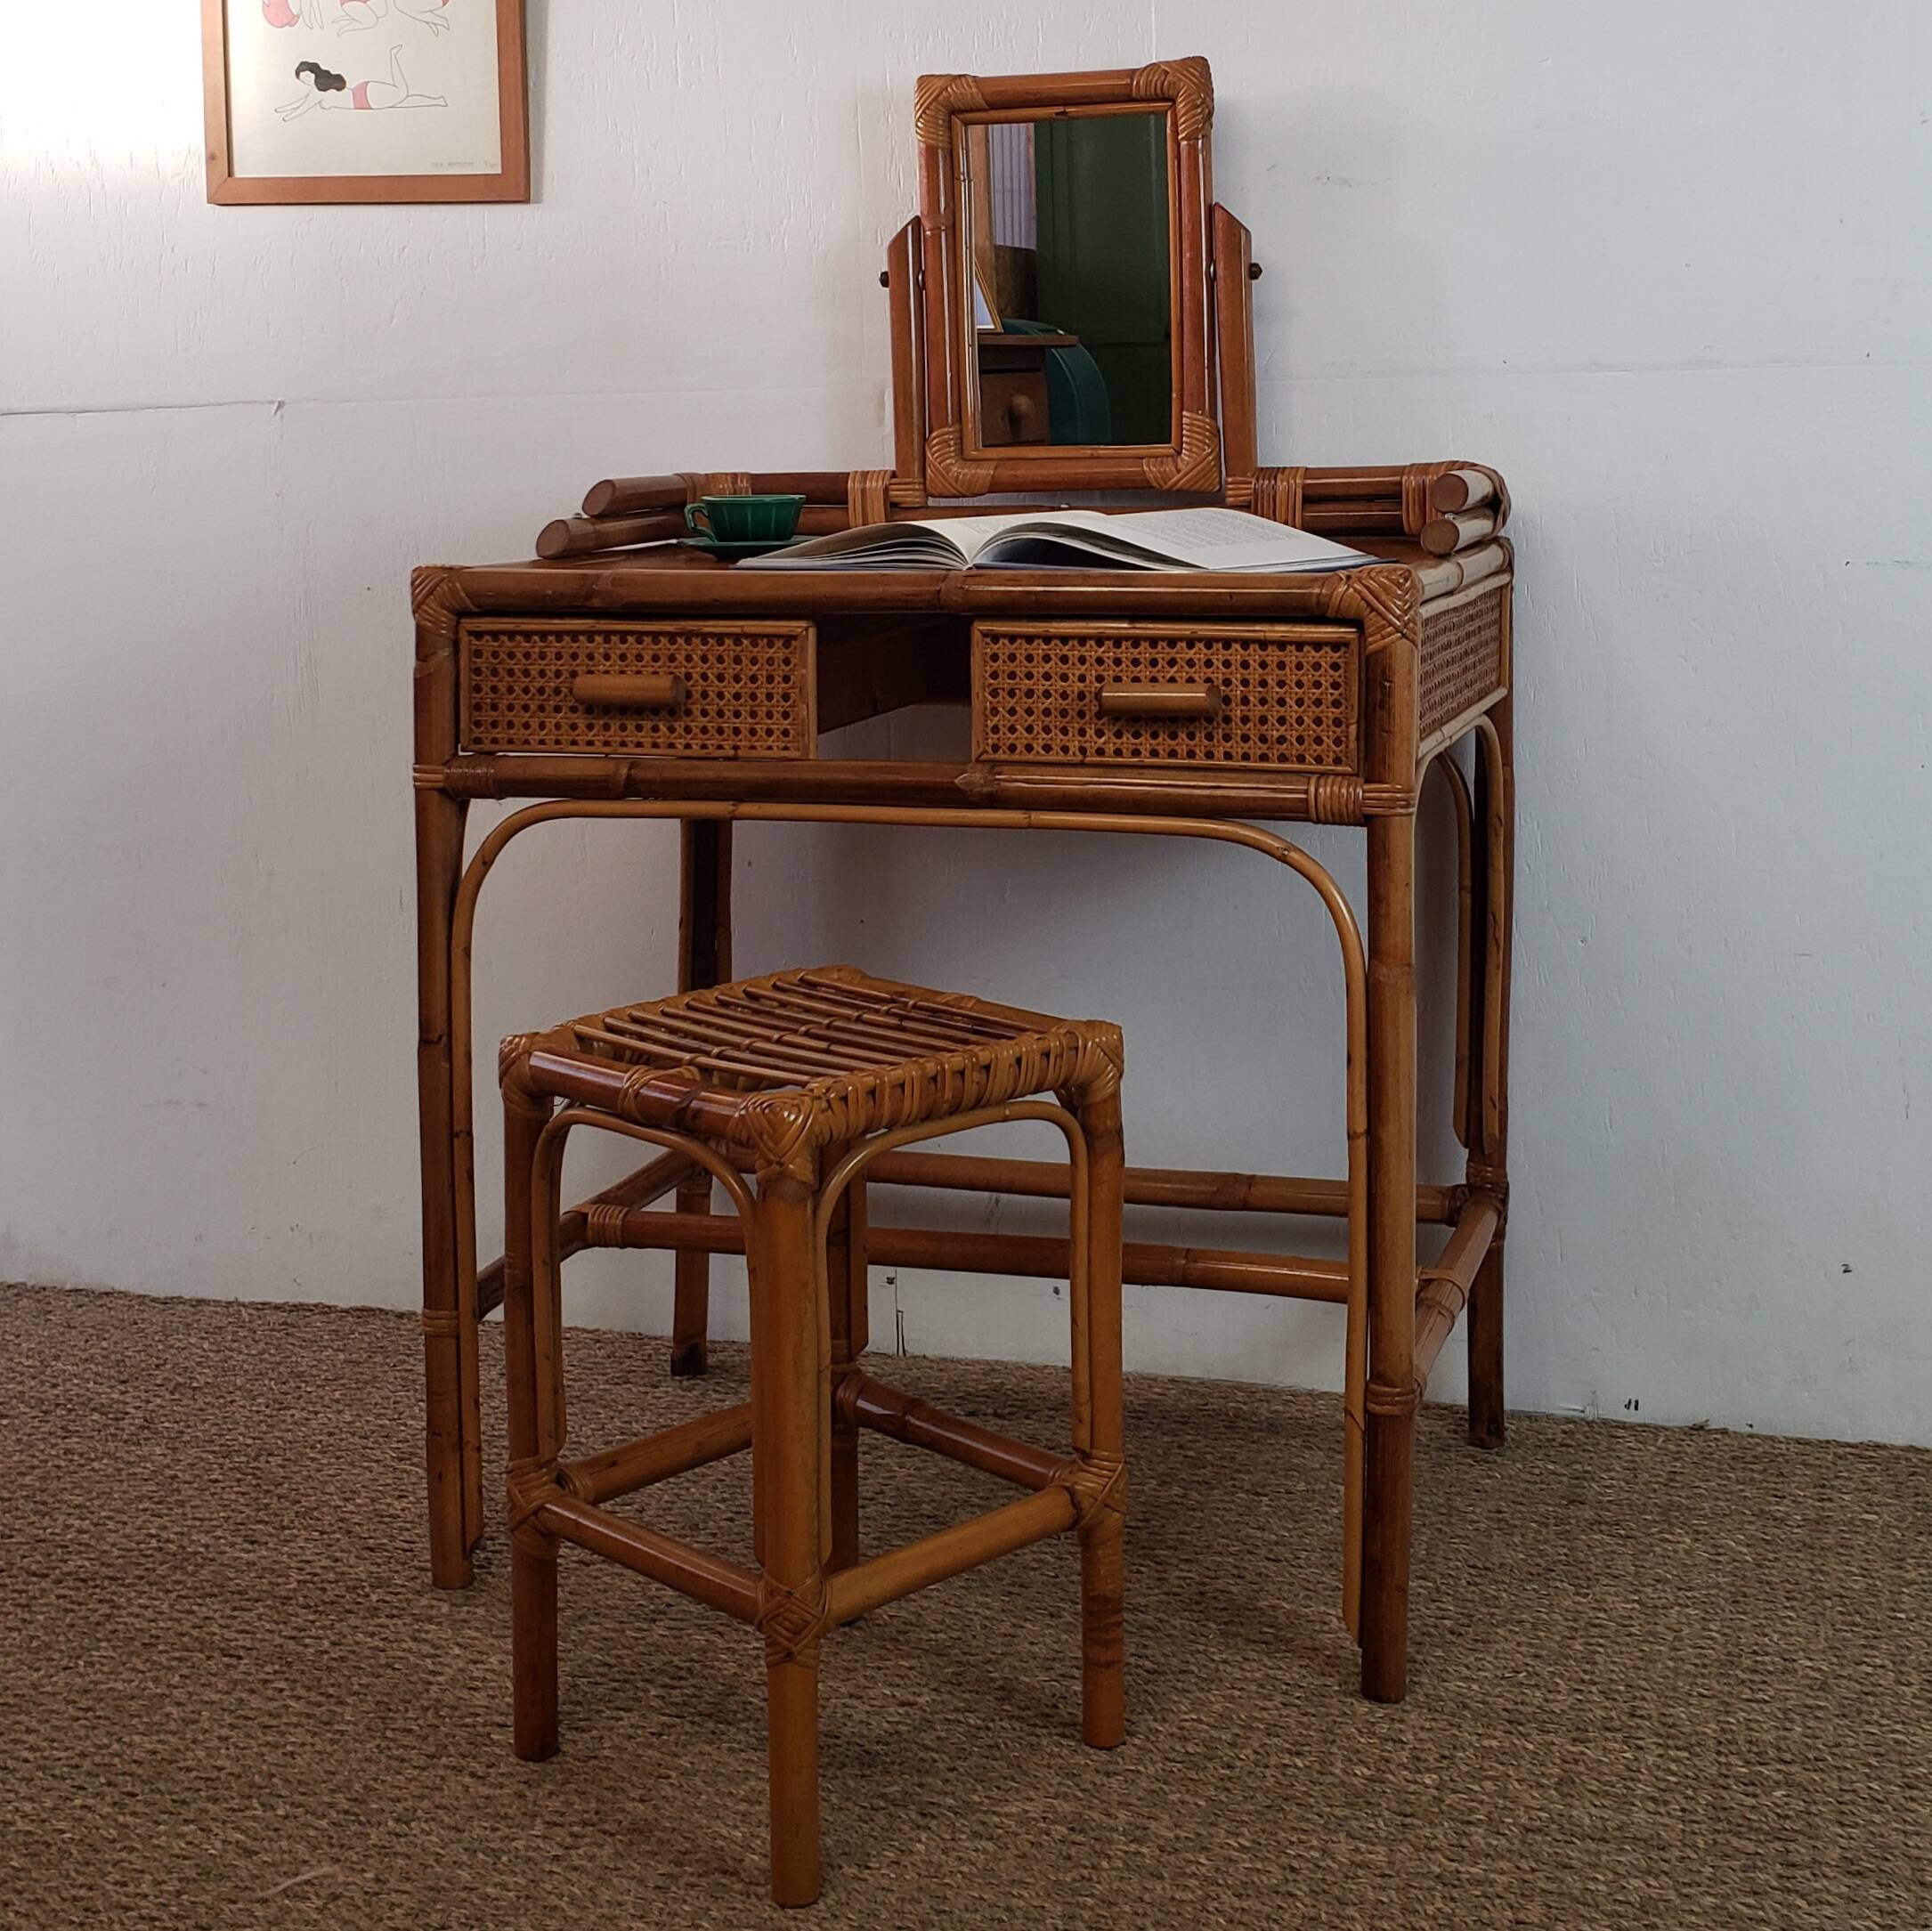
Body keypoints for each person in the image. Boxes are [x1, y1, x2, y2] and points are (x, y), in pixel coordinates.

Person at [277, 48, 446, 120]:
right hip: (363, 94)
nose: (306, 81)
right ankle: (437, 101)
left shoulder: (319, 90)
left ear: (314, 72)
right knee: (403, 101)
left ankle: (392, 57)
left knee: (401, 93)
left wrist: (286, 117)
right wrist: (281, 110)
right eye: (303, 80)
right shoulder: (319, 88)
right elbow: (300, 103)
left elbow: (303, 107)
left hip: (366, 98)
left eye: (307, 77)